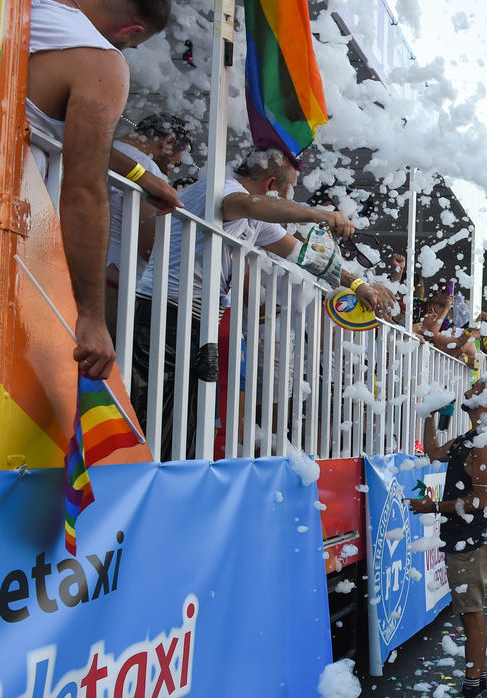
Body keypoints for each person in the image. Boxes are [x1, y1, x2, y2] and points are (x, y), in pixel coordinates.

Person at [131, 148, 386, 456]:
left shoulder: (255, 216)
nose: (289, 201)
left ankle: (170, 485)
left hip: (202, 318)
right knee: (153, 415)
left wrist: (356, 283)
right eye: (288, 192)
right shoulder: (224, 189)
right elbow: (247, 204)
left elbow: (306, 257)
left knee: (185, 417)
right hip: (167, 311)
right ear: (269, 187)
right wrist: (322, 215)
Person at [27, 0, 175, 380]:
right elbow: (84, 188)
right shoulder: (100, 60)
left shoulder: (27, 12)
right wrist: (91, 317)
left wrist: (141, 174)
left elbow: (73, 134)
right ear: (131, 32)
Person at [408, 378, 487, 698]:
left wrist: (432, 508)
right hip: (462, 541)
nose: (467, 391)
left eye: (475, 388)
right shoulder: (468, 438)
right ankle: (479, 691)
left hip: (471, 544)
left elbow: (479, 502)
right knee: (469, 615)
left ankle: (472, 696)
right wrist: (430, 414)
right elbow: (433, 452)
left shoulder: (484, 445)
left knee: (472, 615)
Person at [104, 113, 190, 338]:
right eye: (175, 162)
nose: (171, 170)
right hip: (118, 285)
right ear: (168, 142)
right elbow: (150, 246)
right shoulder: (148, 170)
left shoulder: (106, 150)